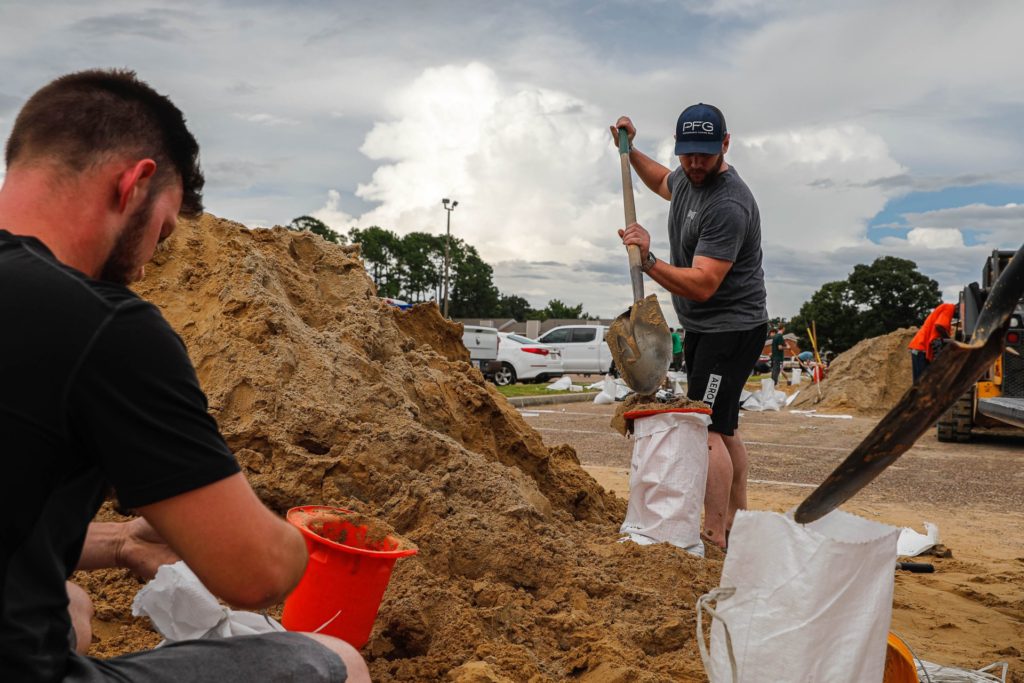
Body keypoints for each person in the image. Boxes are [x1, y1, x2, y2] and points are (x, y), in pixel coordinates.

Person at [0, 70, 369, 682]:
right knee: (335, 661)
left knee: (72, 605)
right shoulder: (102, 323)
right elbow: (255, 575)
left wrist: (122, 542)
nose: (146, 267)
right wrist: (301, 540)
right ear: (134, 183)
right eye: (163, 230)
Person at [611, 104, 768, 550]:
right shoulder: (686, 177)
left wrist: (648, 259)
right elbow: (663, 181)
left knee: (707, 429)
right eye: (687, 154)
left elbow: (702, 284)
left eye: (705, 154)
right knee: (724, 427)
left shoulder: (728, 204)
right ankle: (737, 522)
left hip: (730, 330)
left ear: (725, 145)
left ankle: (715, 533)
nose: (695, 164)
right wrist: (629, 150)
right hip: (706, 328)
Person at [908, 302, 956, 382]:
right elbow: (939, 326)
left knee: (921, 383)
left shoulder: (945, 310)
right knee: (922, 383)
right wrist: (949, 340)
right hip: (921, 348)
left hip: (920, 349)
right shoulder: (949, 307)